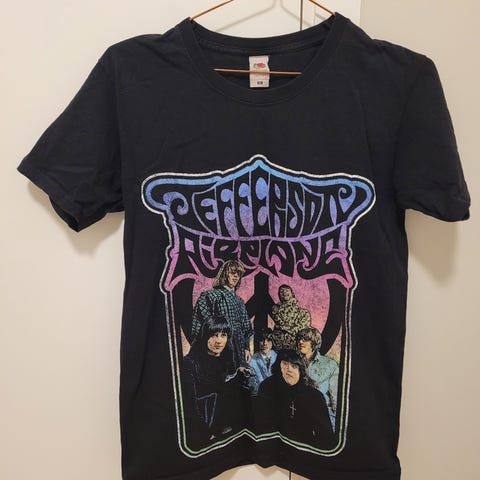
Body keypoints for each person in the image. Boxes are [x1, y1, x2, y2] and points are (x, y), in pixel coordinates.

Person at [182, 315, 254, 446]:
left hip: (223, 424)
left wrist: (238, 374)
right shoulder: (190, 363)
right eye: (214, 335)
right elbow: (189, 406)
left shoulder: (224, 359)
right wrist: (207, 434)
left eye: (223, 335)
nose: (219, 341)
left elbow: (220, 389)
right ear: (205, 336)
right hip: (203, 429)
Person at [254, 349, 333, 446]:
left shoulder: (314, 397)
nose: (289, 369)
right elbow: (261, 426)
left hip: (305, 449)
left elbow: (326, 438)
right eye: (285, 364)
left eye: (294, 366)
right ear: (278, 367)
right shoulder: (267, 388)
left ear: (300, 370)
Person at [192, 259, 253, 369]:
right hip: (218, 352)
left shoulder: (240, 301)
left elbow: (246, 328)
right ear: (225, 274)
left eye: (239, 274)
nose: (236, 276)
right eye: (232, 272)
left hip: (239, 352)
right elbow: (199, 328)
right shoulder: (210, 296)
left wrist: (246, 348)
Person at [296, 327, 339, 430]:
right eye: (299, 339)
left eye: (305, 339)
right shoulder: (292, 362)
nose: (300, 342)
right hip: (297, 413)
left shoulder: (330, 364)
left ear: (314, 342)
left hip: (321, 414)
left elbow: (335, 396)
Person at [271, 285, 311, 350]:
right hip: (278, 348)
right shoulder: (276, 310)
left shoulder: (304, 313)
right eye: (281, 291)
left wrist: (283, 328)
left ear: (292, 293)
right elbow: (280, 323)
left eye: (286, 290)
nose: (284, 292)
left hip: (296, 348)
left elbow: (303, 331)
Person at [248, 327, 277, 395]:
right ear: (258, 342)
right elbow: (253, 384)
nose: (265, 343)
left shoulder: (277, 357)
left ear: (272, 343)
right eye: (262, 340)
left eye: (268, 340)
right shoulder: (253, 361)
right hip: (261, 394)